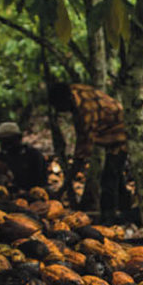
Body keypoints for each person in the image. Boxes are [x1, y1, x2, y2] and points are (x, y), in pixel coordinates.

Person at [49, 82, 128, 223]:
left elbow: (83, 149)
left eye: (61, 108)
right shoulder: (75, 91)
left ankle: (108, 220)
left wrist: (63, 189)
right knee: (117, 178)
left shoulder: (85, 110)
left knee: (109, 179)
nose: (63, 111)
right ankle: (125, 212)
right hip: (110, 129)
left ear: (64, 100)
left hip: (120, 133)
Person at [0, 122, 47, 191]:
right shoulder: (0, 157)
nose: (7, 145)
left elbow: (41, 181)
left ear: (19, 138)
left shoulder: (34, 155)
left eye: (10, 140)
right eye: (3, 141)